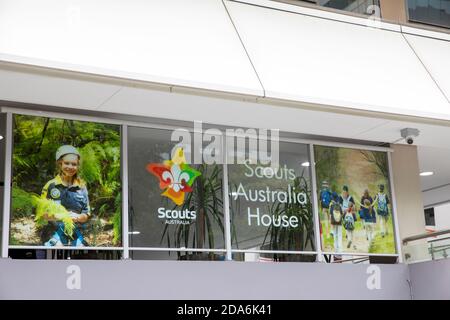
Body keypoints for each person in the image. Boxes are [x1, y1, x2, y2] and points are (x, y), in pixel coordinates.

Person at [41, 145, 90, 247]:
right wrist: (58, 216)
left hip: (76, 235)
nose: (70, 167)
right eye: (67, 163)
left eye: (74, 164)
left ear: (78, 166)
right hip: (53, 234)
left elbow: (86, 214)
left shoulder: (82, 187)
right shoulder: (50, 186)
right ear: (60, 163)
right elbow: (42, 214)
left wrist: (78, 217)